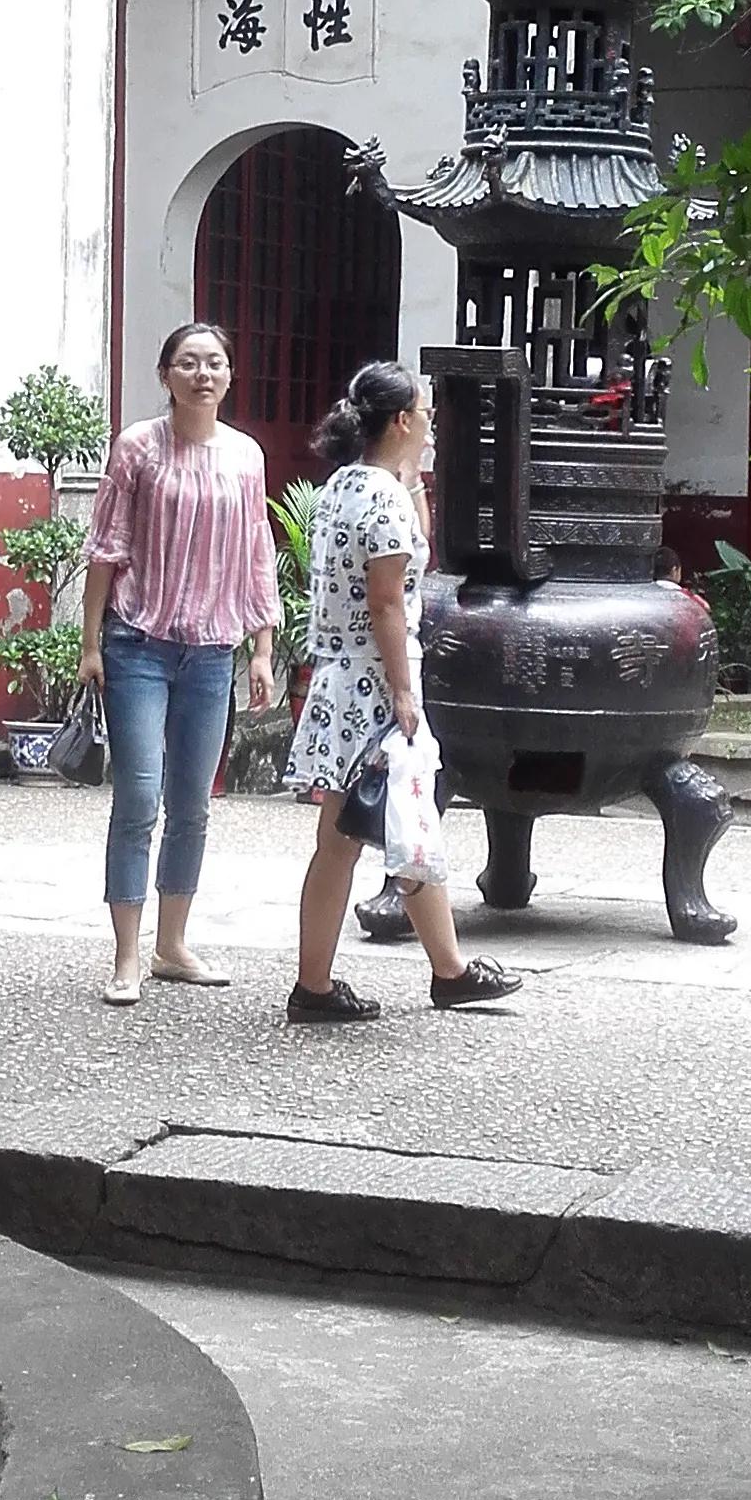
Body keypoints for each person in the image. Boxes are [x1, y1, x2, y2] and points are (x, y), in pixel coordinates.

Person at [283, 359, 520, 1025]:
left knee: (385, 828)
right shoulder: (382, 496)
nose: (433, 425)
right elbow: (388, 601)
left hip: (341, 679)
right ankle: (335, 985)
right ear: (402, 420)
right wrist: (405, 694)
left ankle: (436, 970)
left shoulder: (345, 486)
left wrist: (412, 477)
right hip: (374, 683)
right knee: (385, 825)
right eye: (426, 414)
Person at [79, 321, 280, 1005]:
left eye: (215, 363)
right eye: (189, 363)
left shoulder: (246, 457)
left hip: (212, 650)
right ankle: (127, 956)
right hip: (139, 642)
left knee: (192, 803)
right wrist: (89, 644)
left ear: (229, 376)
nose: (203, 374)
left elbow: (257, 551)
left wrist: (260, 648)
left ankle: (172, 946)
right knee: (139, 795)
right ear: (165, 374)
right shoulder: (138, 447)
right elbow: (107, 546)